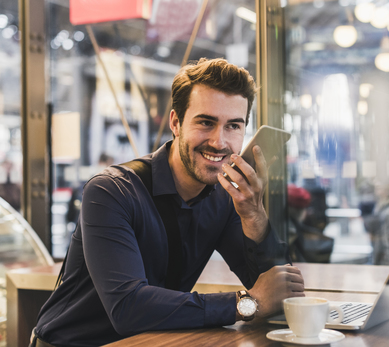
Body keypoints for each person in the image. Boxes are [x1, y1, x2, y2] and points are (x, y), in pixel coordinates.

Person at [32, 58, 305, 347]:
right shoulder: (110, 191)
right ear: (176, 122)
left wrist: (254, 216)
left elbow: (277, 288)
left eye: (233, 126)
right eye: (205, 122)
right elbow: (128, 308)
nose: (219, 141)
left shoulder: (224, 199)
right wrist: (247, 303)